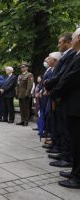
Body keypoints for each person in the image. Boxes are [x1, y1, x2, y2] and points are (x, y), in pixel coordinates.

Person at [51, 28, 80, 189]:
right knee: (75, 141)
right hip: (72, 103)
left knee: (77, 141)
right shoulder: (76, 55)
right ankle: (75, 171)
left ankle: (78, 176)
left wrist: (55, 92)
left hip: (75, 105)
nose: (72, 41)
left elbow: (70, 78)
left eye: (74, 38)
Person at [45, 33, 76, 167]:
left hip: (64, 96)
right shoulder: (69, 55)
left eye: (61, 42)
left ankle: (67, 156)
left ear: (69, 42)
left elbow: (64, 77)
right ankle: (63, 153)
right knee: (60, 125)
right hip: (59, 95)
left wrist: (52, 88)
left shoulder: (71, 55)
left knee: (66, 129)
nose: (59, 45)